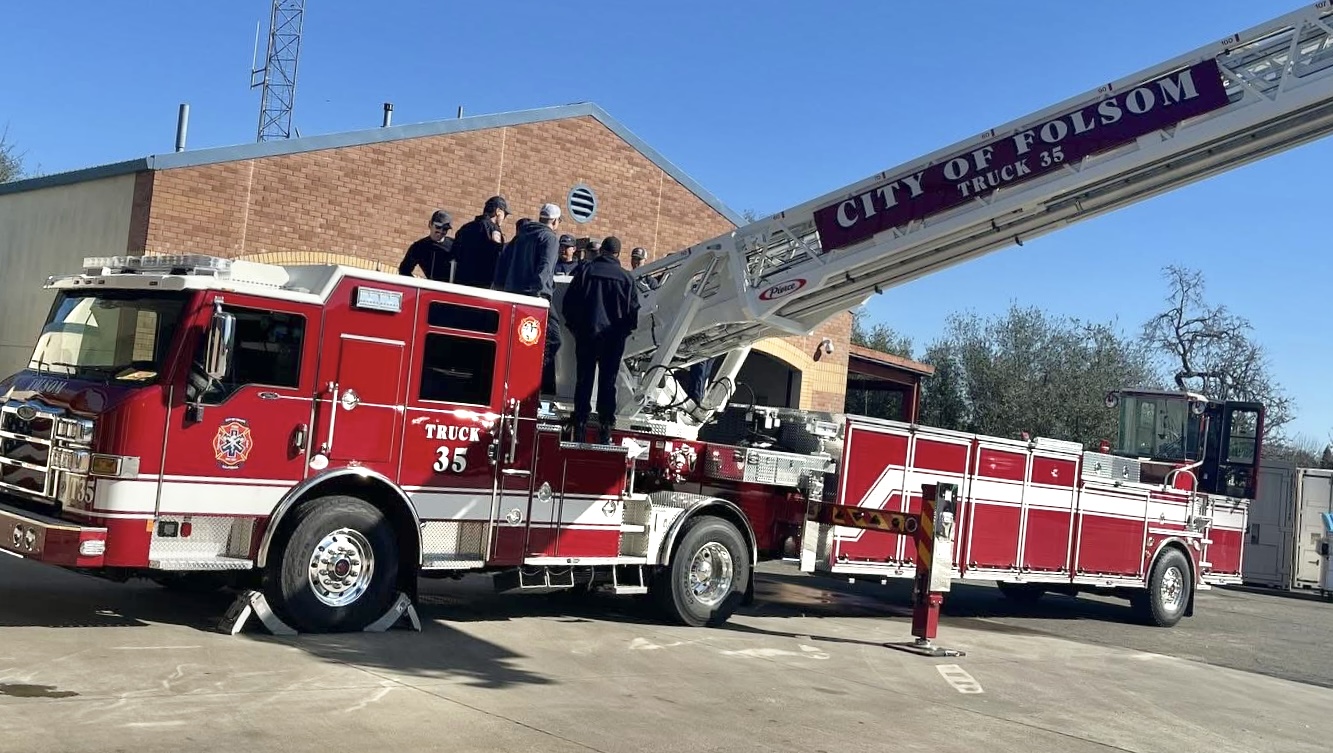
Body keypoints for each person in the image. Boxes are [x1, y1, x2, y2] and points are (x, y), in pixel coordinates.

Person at [561, 236, 640, 444]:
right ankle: (605, 425)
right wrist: (622, 332)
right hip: (613, 339)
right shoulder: (626, 278)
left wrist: (575, 329)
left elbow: (568, 304)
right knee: (608, 381)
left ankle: (580, 421)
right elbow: (633, 314)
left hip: (587, 334)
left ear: (602, 251)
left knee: (584, 379)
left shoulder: (586, 272)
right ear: (617, 254)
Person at [493, 203, 563, 394]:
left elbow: (503, 264)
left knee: (517, 342)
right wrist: (537, 298)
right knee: (553, 339)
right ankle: (534, 385)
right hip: (535, 299)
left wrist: (499, 292)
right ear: (555, 221)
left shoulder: (521, 236)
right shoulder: (549, 238)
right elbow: (545, 268)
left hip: (512, 297)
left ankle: (515, 381)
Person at [451, 195, 509, 288]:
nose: (504, 218)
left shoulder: (465, 228)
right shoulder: (493, 229)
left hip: (460, 283)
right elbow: (498, 253)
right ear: (498, 211)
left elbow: (454, 254)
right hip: (482, 285)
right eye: (504, 215)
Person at [397, 210, 454, 282]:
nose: (441, 231)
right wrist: (417, 285)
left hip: (451, 289)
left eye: (445, 229)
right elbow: (404, 270)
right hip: (430, 289)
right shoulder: (419, 247)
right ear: (430, 224)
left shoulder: (454, 245)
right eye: (438, 227)